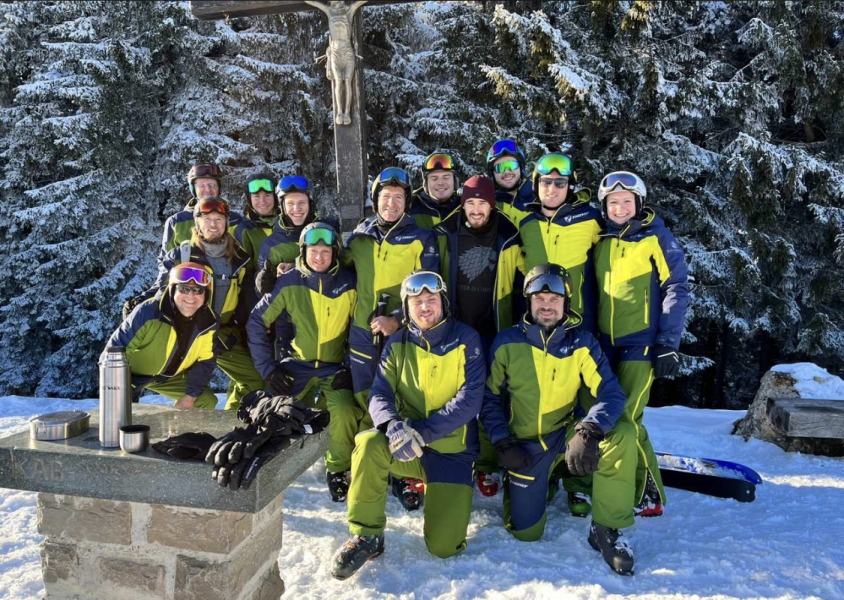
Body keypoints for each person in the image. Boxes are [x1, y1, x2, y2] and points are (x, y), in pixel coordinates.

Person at [481, 263, 638, 575]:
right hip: (524, 446)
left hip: (565, 434)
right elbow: (487, 398)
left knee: (621, 435)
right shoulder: (507, 342)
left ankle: (606, 528)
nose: (547, 305)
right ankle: (536, 482)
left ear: (566, 303)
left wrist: (590, 429)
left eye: (554, 299)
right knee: (526, 533)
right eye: (540, 298)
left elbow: (611, 391)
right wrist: (502, 441)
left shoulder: (581, 342)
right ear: (529, 301)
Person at [330, 271, 485, 580]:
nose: (424, 307)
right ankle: (367, 534)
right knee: (369, 443)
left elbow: (470, 400)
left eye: (431, 300)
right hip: (407, 446)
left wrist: (421, 433)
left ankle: (445, 491)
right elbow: (380, 393)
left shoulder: (465, 338)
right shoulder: (397, 342)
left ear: (443, 302)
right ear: (406, 307)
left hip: (451, 453)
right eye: (417, 302)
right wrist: (391, 426)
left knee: (444, 547)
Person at [594, 171, 689, 518]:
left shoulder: (655, 236)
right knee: (610, 416)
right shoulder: (599, 238)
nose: (620, 208)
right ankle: (622, 481)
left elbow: (676, 287)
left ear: (639, 203)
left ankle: (648, 493)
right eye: (613, 202)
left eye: (627, 201)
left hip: (641, 342)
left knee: (626, 419)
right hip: (603, 344)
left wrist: (668, 342)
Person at [247, 222, 363, 502]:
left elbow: (359, 329)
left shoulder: (349, 283)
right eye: (313, 251)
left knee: (345, 409)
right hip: (296, 364)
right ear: (303, 252)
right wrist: (269, 369)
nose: (319, 257)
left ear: (334, 253)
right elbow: (256, 322)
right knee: (271, 408)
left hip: (334, 367)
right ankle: (264, 464)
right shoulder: (289, 281)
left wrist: (350, 365)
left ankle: (337, 468)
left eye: (325, 251)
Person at [433, 174, 524, 496]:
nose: (475, 209)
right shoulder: (446, 232)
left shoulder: (509, 235)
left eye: (481, 203)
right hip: (455, 326)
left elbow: (523, 279)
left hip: (493, 327)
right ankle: (450, 456)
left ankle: (486, 463)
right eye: (470, 203)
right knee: (449, 393)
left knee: (490, 395)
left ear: (492, 205)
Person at [142, 198, 264, 410]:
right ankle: (184, 425)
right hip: (184, 331)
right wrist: (142, 303)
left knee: (256, 380)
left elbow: (247, 301)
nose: (213, 225)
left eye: (219, 219)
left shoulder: (239, 258)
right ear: (197, 223)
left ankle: (234, 420)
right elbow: (161, 288)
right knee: (198, 397)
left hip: (221, 333)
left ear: (226, 223)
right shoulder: (181, 255)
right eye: (207, 219)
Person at [342, 167, 439, 414]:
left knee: (400, 398)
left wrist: (397, 320)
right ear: (376, 200)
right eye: (385, 196)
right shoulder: (359, 238)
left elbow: (430, 293)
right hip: (362, 332)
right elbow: (332, 268)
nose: (391, 203)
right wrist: (295, 264)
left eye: (398, 197)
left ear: (407, 203)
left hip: (403, 332)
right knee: (363, 398)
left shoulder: (420, 238)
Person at [104, 262, 218, 409]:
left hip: (169, 377)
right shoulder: (149, 312)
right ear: (173, 289)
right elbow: (114, 351)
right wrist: (115, 389)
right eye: (184, 289)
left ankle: (181, 424)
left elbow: (205, 362)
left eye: (198, 290)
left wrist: (189, 397)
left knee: (205, 400)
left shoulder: (208, 322)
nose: (191, 296)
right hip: (132, 376)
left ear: (206, 295)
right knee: (120, 414)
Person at [518, 153, 601, 333]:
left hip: (578, 320)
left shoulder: (590, 218)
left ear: (569, 186)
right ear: (536, 185)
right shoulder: (526, 224)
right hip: (536, 318)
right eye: (546, 182)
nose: (552, 188)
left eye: (560, 183)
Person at [158, 163, 242, 266]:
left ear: (218, 188)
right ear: (193, 188)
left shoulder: (235, 220)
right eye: (201, 185)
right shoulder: (177, 222)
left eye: (212, 185)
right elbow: (165, 262)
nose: (207, 189)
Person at [255, 175, 321, 295]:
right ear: (283, 207)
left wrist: (296, 267)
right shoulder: (271, 245)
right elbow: (260, 293)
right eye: (290, 203)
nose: (297, 208)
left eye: (302, 202)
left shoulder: (326, 233)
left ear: (310, 204)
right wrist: (263, 282)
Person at [233, 172, 279, 271]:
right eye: (257, 196)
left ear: (275, 197)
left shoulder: (287, 223)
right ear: (250, 199)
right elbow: (245, 271)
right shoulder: (245, 231)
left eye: (267, 195)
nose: (262, 201)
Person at [485, 139, 533, 224]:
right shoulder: (489, 206)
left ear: (521, 167)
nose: (507, 172)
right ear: (492, 173)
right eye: (500, 168)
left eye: (512, 165)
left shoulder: (540, 197)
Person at [409, 152, 461, 230]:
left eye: (446, 177)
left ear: (455, 181)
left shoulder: (466, 209)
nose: (440, 183)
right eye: (434, 178)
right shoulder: (409, 207)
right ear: (426, 183)